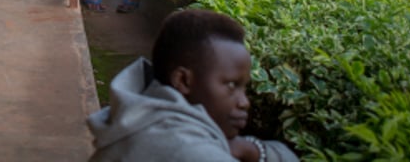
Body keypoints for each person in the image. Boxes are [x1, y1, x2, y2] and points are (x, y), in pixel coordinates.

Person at [86, 9, 299, 162]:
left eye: (244, 88)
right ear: (183, 81)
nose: (244, 102)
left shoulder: (144, 119)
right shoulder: (189, 151)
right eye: (231, 85)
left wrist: (250, 150)